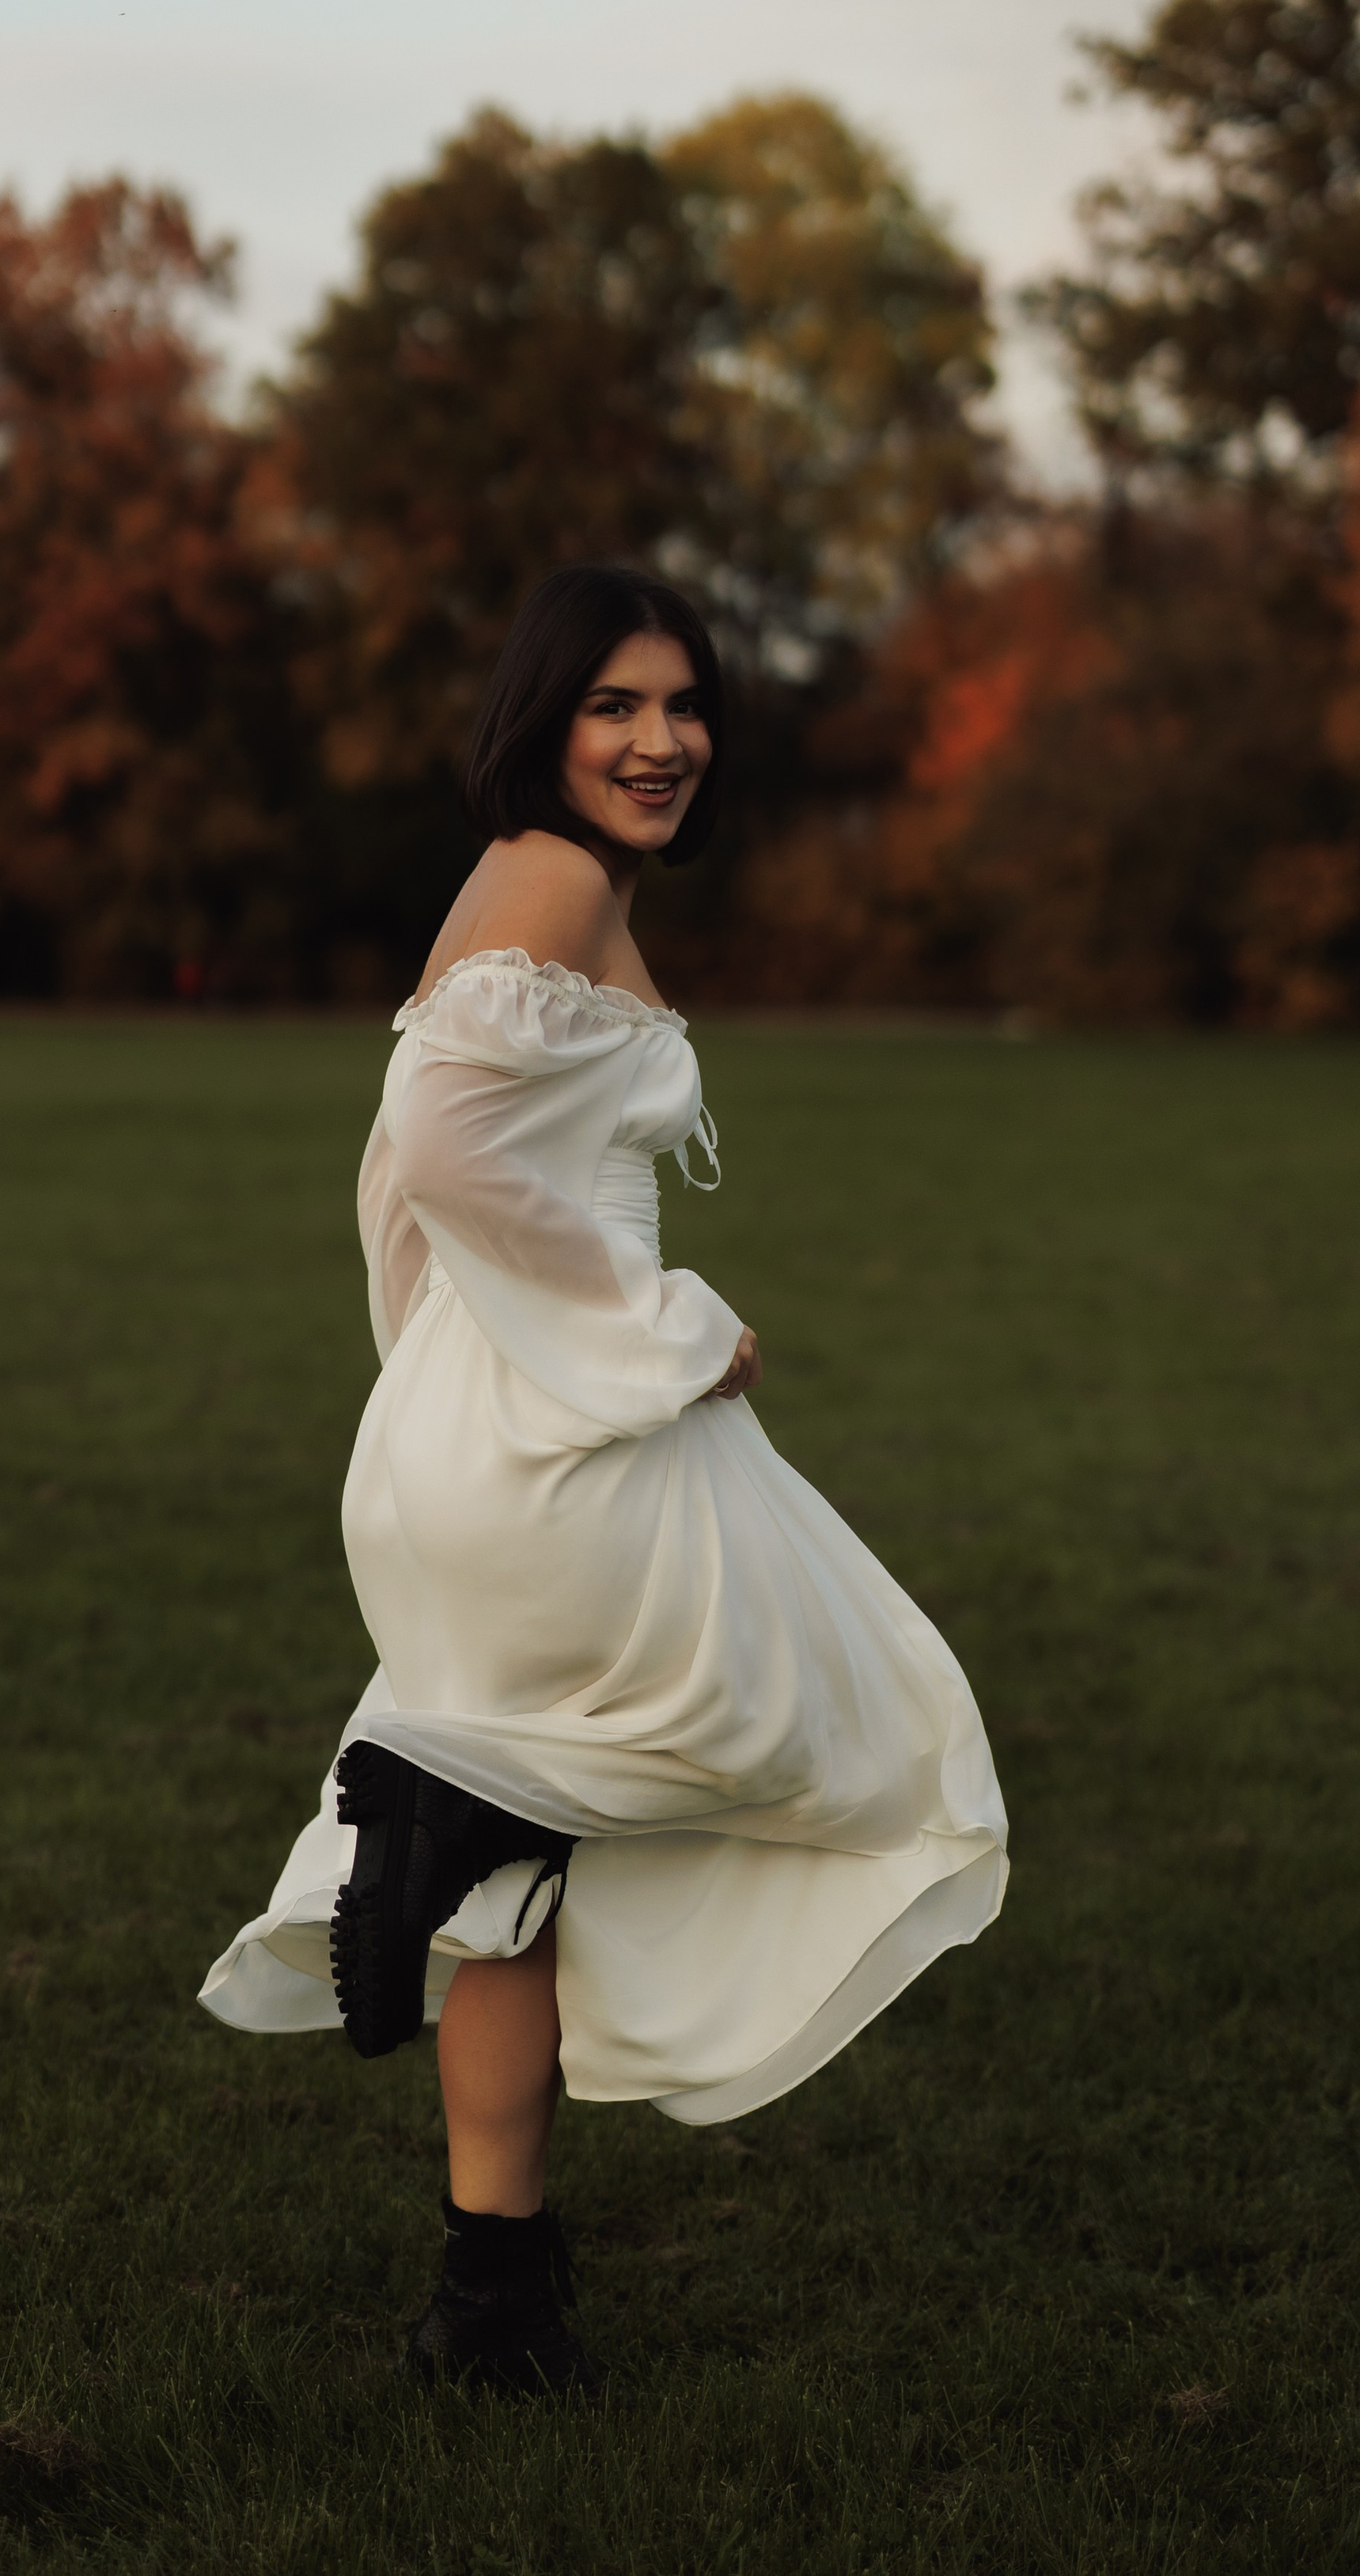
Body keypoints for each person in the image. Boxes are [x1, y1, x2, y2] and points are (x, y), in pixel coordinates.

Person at [201, 565, 1007, 2395]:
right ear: (542, 722)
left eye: (682, 703)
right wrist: (652, 1332)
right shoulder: (552, 876)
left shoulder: (524, 880)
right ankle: (428, 1801)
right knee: (846, 1716)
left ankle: (488, 2301)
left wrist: (428, 1370)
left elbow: (397, 1168)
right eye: (613, 706)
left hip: (483, 1427)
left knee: (524, 1870)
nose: (660, 740)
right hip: (561, 1430)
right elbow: (434, 1141)